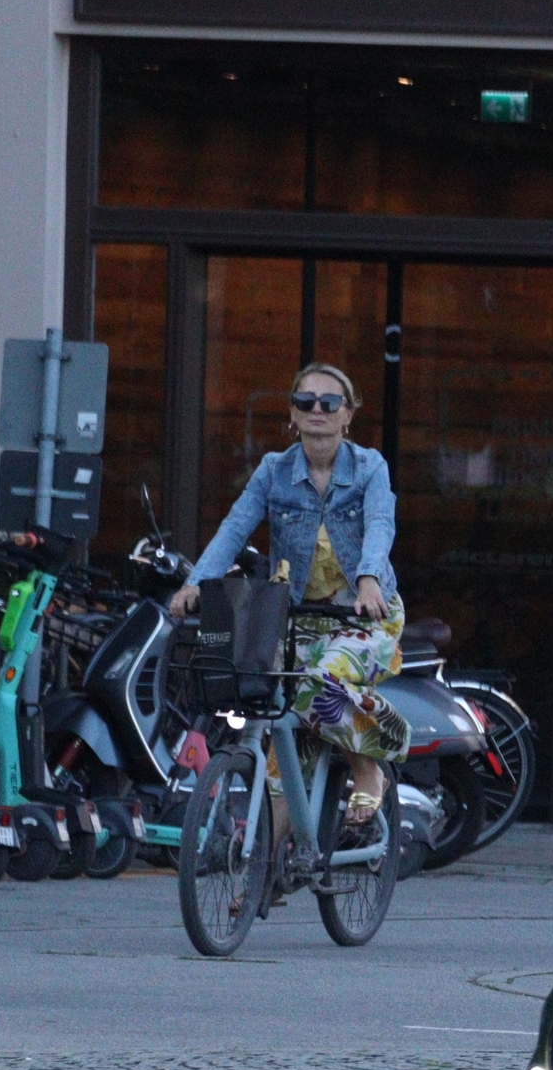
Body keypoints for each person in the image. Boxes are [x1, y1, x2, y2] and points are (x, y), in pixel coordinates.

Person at [168, 361, 408, 844]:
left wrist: (368, 579)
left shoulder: (369, 467)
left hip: (365, 614)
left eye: (329, 402)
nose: (316, 409)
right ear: (293, 415)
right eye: (305, 401)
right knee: (280, 725)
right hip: (298, 619)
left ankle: (370, 767)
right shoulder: (274, 471)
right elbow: (236, 527)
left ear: (348, 414)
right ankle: (269, 865)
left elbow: (380, 525)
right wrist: (198, 582)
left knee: (318, 684)